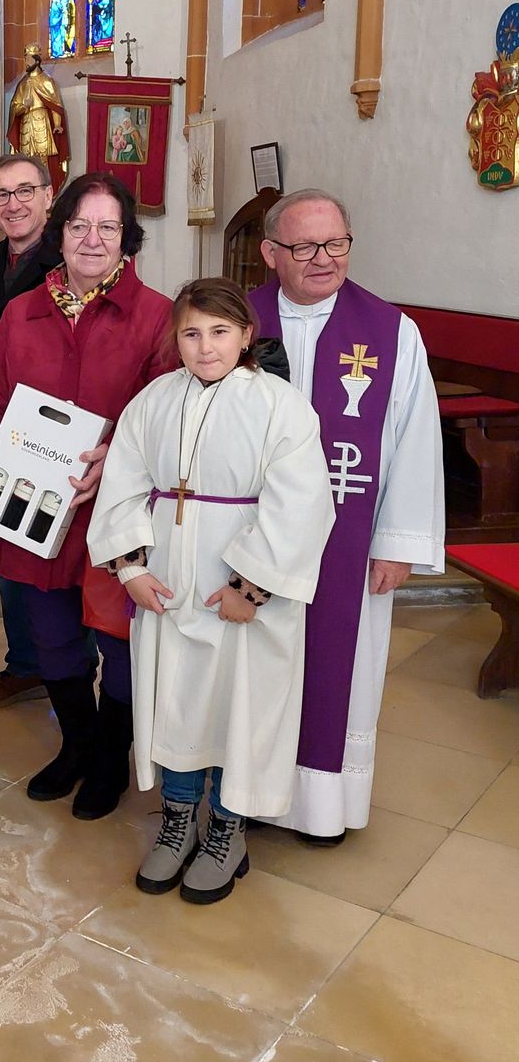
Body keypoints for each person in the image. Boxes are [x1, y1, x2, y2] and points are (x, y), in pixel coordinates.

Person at [88, 278, 335, 903]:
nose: (205, 347)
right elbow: (122, 483)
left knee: (238, 709)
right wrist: (131, 570)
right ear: (176, 338)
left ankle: (227, 829)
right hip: (169, 589)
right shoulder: (153, 401)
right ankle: (176, 823)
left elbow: (303, 506)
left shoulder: (281, 406)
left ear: (247, 335)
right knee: (176, 703)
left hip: (242, 597)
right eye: (192, 334)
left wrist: (249, 589)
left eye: (220, 332)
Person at [0, 172, 175, 820]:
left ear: (126, 239)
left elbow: (171, 417)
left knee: (122, 642)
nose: (93, 239)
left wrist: (122, 458)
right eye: (80, 226)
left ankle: (111, 753)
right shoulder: (24, 311)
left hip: (117, 512)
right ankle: (77, 742)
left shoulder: (158, 316)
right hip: (32, 505)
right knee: (50, 636)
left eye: (108, 227)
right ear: (61, 233)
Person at [249, 189, 444, 845]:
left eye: (336, 243)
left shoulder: (390, 332)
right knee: (255, 663)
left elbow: (416, 441)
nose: (324, 258)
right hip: (252, 539)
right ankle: (246, 793)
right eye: (304, 246)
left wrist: (395, 542)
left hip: (347, 540)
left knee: (339, 666)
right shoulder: (236, 321)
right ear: (271, 252)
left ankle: (321, 804)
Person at [0, 154, 65, 709]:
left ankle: (59, 663)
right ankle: (26, 662)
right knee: (2, 552)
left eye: (25, 191)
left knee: (46, 547)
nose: (12, 204)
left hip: (47, 428)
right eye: (1, 194)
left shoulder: (69, 259)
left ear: (50, 195)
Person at [7, 44, 70, 191]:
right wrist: (23, 106)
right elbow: (15, 107)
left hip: (42, 123)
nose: (26, 62)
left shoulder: (47, 80)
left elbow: (55, 105)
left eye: (28, 59)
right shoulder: (22, 84)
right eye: (25, 59)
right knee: (25, 161)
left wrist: (57, 124)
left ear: (36, 60)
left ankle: (43, 192)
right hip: (26, 125)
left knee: (43, 161)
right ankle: (26, 190)